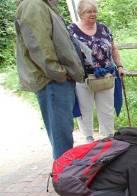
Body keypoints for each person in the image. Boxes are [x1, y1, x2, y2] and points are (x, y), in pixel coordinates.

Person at [15, 0, 85, 159]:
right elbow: (39, 46)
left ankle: (65, 176)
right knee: (62, 139)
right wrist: (59, 73)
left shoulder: (44, 4)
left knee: (64, 135)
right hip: (52, 82)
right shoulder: (33, 4)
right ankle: (64, 179)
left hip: (57, 80)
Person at [68, 0, 125, 143]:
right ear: (80, 13)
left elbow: (113, 48)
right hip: (83, 78)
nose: (93, 14)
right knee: (85, 110)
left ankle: (108, 139)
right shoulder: (71, 30)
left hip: (106, 76)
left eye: (94, 11)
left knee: (106, 109)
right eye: (89, 11)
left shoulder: (104, 28)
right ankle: (89, 139)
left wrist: (119, 66)